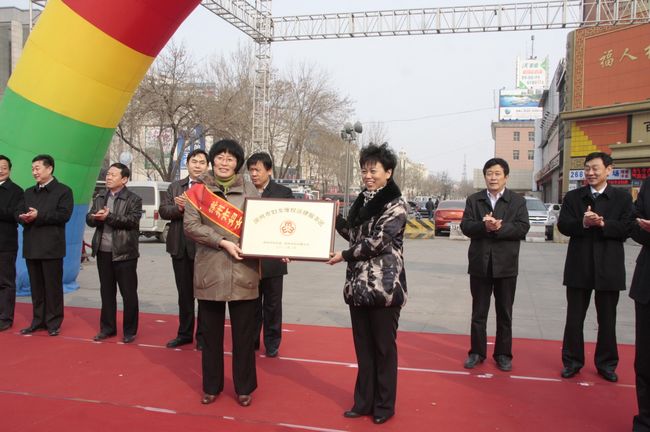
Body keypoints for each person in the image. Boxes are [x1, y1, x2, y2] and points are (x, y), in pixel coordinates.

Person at [327, 143, 408, 425]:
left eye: (373, 170)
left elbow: (377, 242)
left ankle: (384, 406)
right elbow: (354, 235)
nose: (368, 176)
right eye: (364, 170)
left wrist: (344, 255)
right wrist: (331, 219)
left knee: (383, 349)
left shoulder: (396, 205)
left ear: (389, 172)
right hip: (358, 287)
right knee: (363, 349)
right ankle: (363, 402)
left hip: (384, 287)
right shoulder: (362, 201)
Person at [184, 139, 260, 407]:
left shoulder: (250, 191)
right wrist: (222, 241)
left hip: (243, 270)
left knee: (244, 337)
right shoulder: (198, 191)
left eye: (230, 158)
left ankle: (244, 387)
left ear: (238, 163)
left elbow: (262, 225)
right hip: (210, 270)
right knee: (211, 336)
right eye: (220, 157)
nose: (224, 162)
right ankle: (211, 386)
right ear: (212, 160)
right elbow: (191, 226)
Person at [558, 152, 635, 382]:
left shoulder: (622, 198)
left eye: (595, 168)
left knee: (607, 320)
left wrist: (603, 224)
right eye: (587, 168)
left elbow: (627, 228)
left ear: (609, 170)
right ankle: (572, 361)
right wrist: (583, 222)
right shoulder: (574, 197)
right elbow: (563, 225)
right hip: (579, 265)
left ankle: (606, 364)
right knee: (574, 319)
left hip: (609, 266)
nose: (590, 173)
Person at [460, 158, 530, 372]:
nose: (493, 177)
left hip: (506, 265)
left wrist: (499, 228)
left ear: (506, 177)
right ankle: (477, 352)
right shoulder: (474, 200)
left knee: (504, 313)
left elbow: (522, 227)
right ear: (485, 177)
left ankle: (503, 354)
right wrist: (484, 227)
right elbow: (466, 226)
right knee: (478, 313)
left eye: (497, 173)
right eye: (489, 173)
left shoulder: (517, 201)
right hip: (480, 264)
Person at [86, 163, 142, 344]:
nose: (108, 177)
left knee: (128, 294)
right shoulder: (101, 196)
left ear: (124, 179)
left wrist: (108, 217)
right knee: (107, 292)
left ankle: (129, 331)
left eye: (113, 175)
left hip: (124, 253)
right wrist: (95, 217)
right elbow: (89, 218)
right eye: (108, 174)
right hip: (103, 252)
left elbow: (132, 221)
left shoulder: (133, 199)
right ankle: (107, 328)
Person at [159, 148, 209, 349]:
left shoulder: (210, 187)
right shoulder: (175, 187)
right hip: (179, 246)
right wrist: (179, 208)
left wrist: (192, 206)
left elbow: (213, 215)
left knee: (205, 295)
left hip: (204, 249)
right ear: (187, 164)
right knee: (184, 294)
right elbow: (164, 211)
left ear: (207, 166)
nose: (198, 166)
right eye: (194, 162)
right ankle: (185, 333)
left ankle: (203, 337)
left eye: (202, 162)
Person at [18, 154, 73, 337]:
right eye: (32, 169)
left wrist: (39, 216)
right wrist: (23, 217)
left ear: (49, 169)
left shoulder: (63, 191)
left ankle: (53, 322)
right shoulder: (28, 192)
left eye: (38, 168)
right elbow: (19, 211)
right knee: (36, 288)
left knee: (52, 287)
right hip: (32, 246)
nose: (34, 172)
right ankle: (37, 321)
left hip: (51, 247)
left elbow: (64, 215)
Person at [246, 152, 293, 358]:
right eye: (251, 170)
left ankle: (272, 342)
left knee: (273, 304)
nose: (254, 174)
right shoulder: (244, 191)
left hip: (274, 259)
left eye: (257, 170)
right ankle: (251, 340)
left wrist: (290, 249)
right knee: (251, 303)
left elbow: (292, 222)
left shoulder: (283, 193)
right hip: (249, 258)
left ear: (269, 170)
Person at [631, 176, 650, 432]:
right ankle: (645, 421)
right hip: (647, 283)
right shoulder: (648, 185)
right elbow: (632, 224)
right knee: (645, 360)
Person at [0, 155, 24, 332]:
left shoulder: (16, 191)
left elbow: (16, 214)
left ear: (9, 169)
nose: (1, 170)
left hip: (5, 243)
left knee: (6, 282)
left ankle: (5, 317)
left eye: (4, 167)